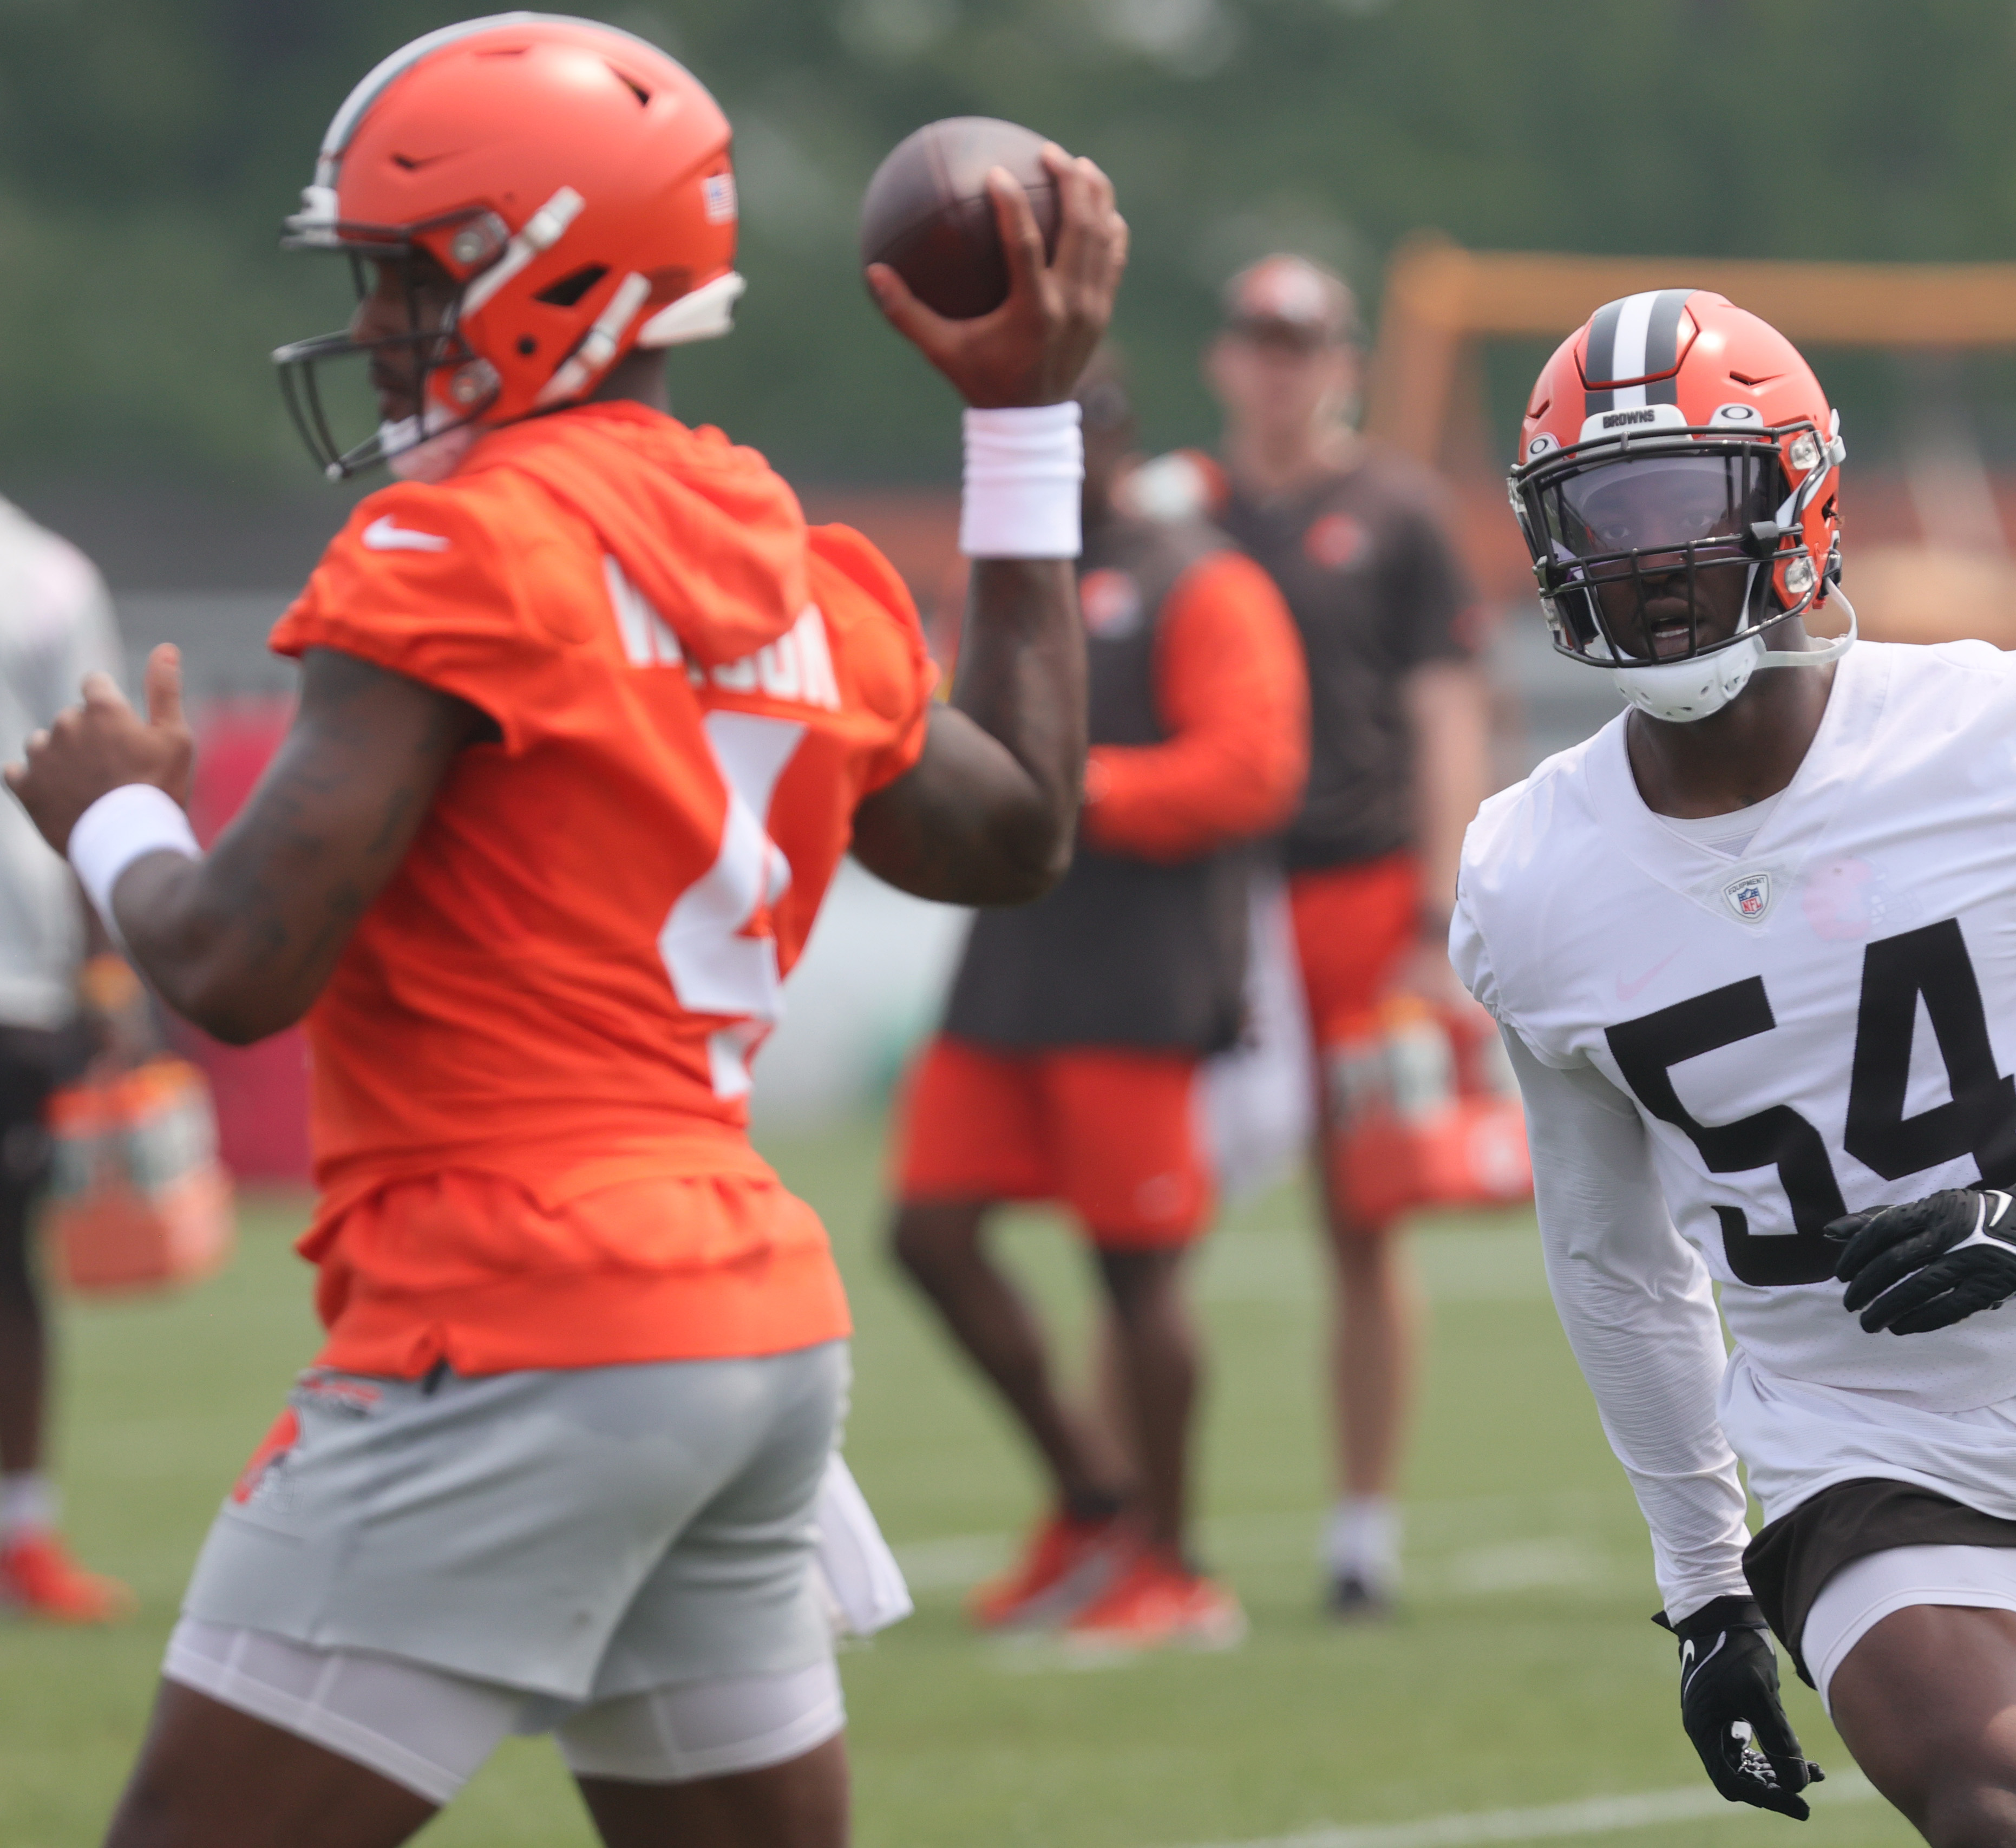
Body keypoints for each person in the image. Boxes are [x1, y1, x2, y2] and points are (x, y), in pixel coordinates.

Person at [3, 16, 1123, 1846]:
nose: (378, 326)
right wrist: (1018, 423)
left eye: (407, 278)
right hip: (743, 1327)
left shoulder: (463, 549)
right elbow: (1019, 828)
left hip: (512, 1315)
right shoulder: (787, 561)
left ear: (557, 272)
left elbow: (228, 962)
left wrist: (109, 804)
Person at [1455, 290, 2016, 1846]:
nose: (1647, 560)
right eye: (1602, 516)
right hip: (1856, 1426)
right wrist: (1704, 1586)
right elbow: (1613, 1262)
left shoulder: (1991, 733)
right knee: (2001, 1794)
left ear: (1800, 497)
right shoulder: (1533, 874)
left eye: (1688, 502)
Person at [889, 357, 1307, 1649]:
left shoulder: (1198, 578)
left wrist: (1079, 795)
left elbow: (1252, 771)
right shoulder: (1008, 575)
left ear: (1108, 444)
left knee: (1136, 1274)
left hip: (1140, 972)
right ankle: (1091, 1499)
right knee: (927, 1233)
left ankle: (1172, 1570)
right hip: (1011, 958)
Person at [1195, 255, 1489, 1615]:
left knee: (1362, 1217)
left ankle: (1360, 1528)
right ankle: (1141, 1521)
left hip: (1356, 892)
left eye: (1301, 342)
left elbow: (1443, 712)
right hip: (1204, 897)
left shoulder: (1394, 512)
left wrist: (1437, 912)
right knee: (1145, 1211)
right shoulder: (1178, 513)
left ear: (1344, 361)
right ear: (1223, 358)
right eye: (1259, 340)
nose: (1279, 366)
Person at [0, 495, 132, 1624]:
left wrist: (103, 968)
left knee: (6, 1266)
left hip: (10, 973)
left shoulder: (40, 574)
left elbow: (95, 778)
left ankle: (21, 1534)